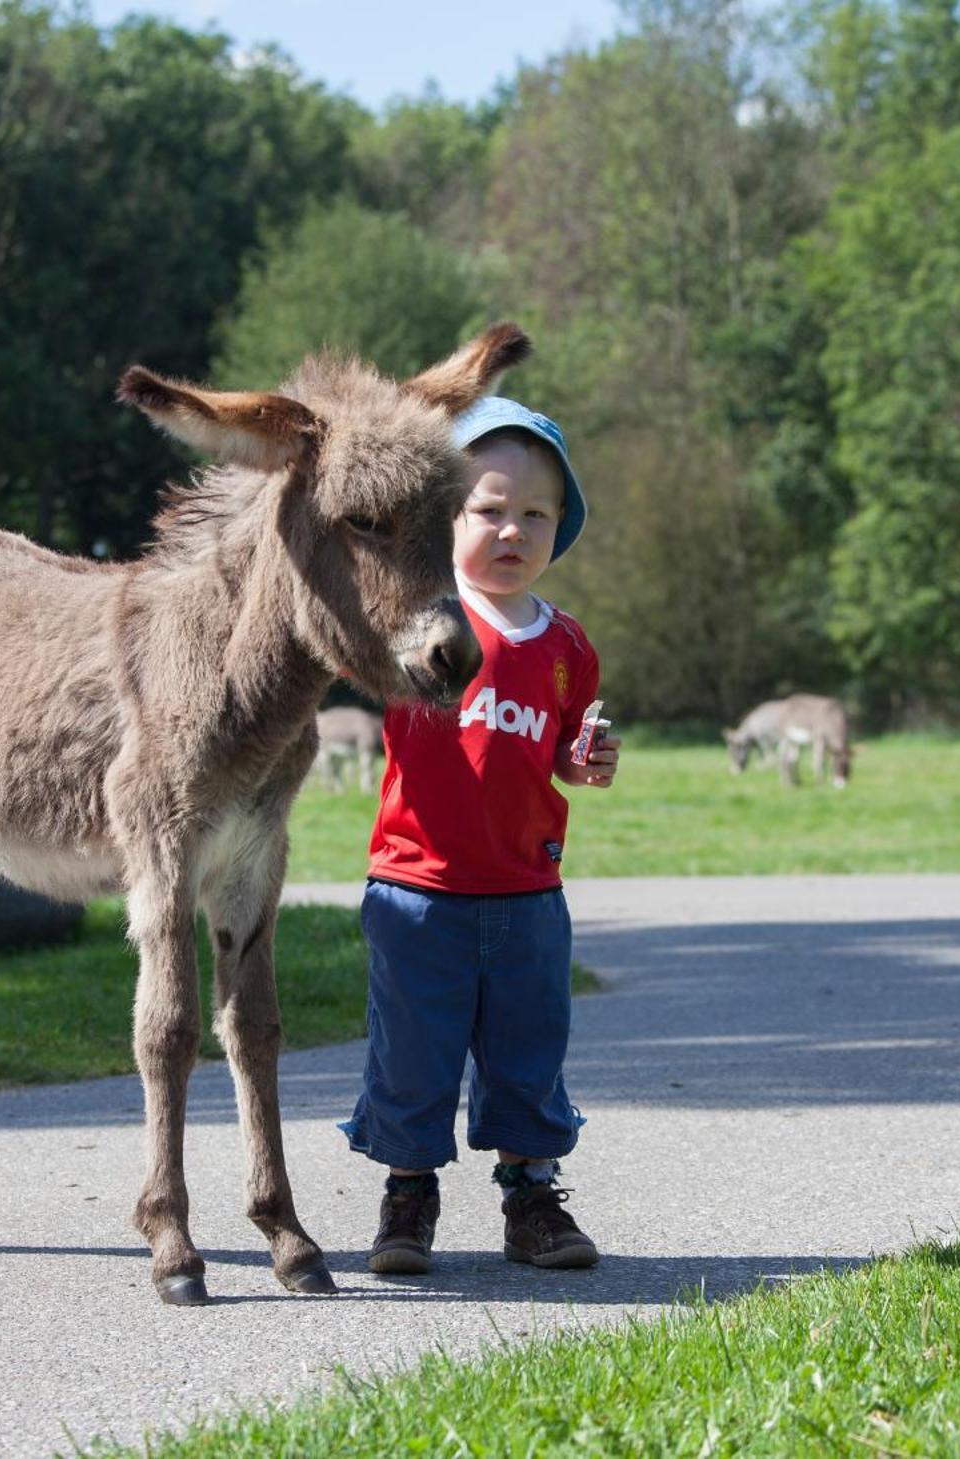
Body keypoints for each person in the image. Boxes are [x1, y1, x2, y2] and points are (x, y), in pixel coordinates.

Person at [339, 395, 620, 1275]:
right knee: (414, 1053)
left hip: (529, 893)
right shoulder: (418, 619)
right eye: (488, 509)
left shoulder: (566, 643)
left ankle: (532, 1199)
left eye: (536, 513)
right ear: (444, 520)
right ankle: (407, 1196)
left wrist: (586, 757)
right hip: (419, 890)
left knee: (526, 1054)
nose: (512, 530)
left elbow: (563, 755)